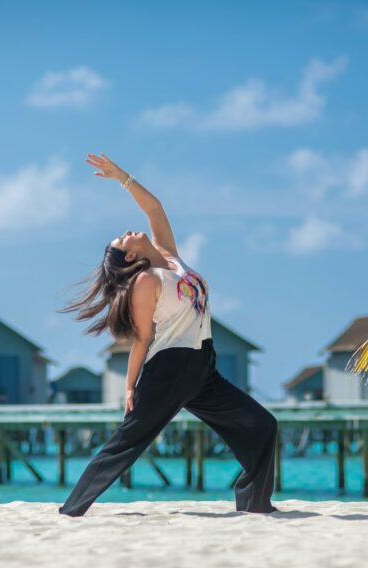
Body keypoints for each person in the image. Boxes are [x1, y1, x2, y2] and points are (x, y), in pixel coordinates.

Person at [57, 152, 279, 517]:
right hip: (170, 368)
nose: (128, 233)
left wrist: (121, 177)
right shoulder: (146, 282)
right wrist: (130, 387)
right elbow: (142, 339)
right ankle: (72, 509)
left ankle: (255, 505)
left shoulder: (171, 259)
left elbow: (154, 208)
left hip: (203, 366)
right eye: (122, 240)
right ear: (129, 259)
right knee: (129, 441)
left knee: (262, 425)